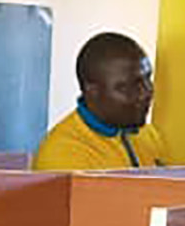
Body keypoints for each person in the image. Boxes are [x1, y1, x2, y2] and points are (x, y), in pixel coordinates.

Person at [33, 32, 169, 170]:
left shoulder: (147, 134)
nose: (147, 92)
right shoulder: (62, 153)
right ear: (92, 91)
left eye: (148, 78)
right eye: (131, 86)